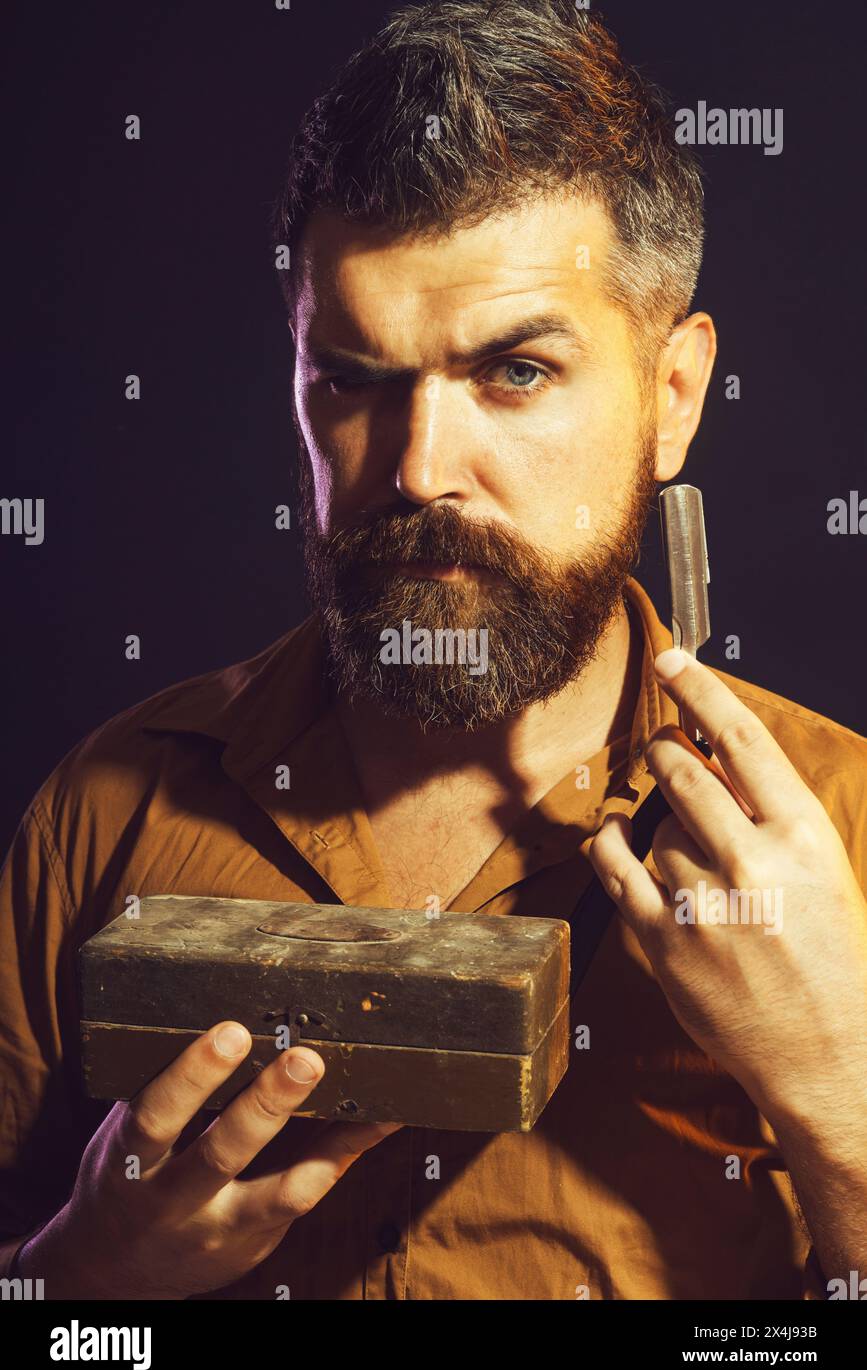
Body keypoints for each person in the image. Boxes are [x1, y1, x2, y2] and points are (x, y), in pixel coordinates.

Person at [2, 0, 866, 1301]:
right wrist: (86, 1285)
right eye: (353, 379)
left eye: (515, 372)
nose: (416, 469)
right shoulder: (104, 812)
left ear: (673, 396)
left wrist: (843, 1096)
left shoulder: (845, 837)